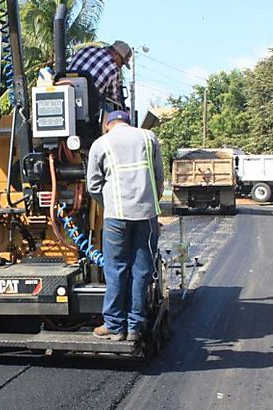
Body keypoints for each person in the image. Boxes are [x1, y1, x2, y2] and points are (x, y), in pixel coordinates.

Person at [86, 111, 165, 341]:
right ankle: (134, 327)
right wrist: (150, 201)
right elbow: (159, 178)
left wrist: (108, 204)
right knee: (141, 270)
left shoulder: (101, 144)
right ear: (128, 122)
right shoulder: (149, 138)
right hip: (146, 216)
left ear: (107, 124)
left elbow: (93, 185)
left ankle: (114, 326)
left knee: (116, 269)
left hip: (116, 217)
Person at [68, 40, 132, 110]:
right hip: (85, 105)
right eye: (122, 63)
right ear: (115, 54)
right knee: (111, 110)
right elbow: (114, 99)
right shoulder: (113, 69)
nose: (120, 66)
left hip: (66, 92)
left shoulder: (86, 49)